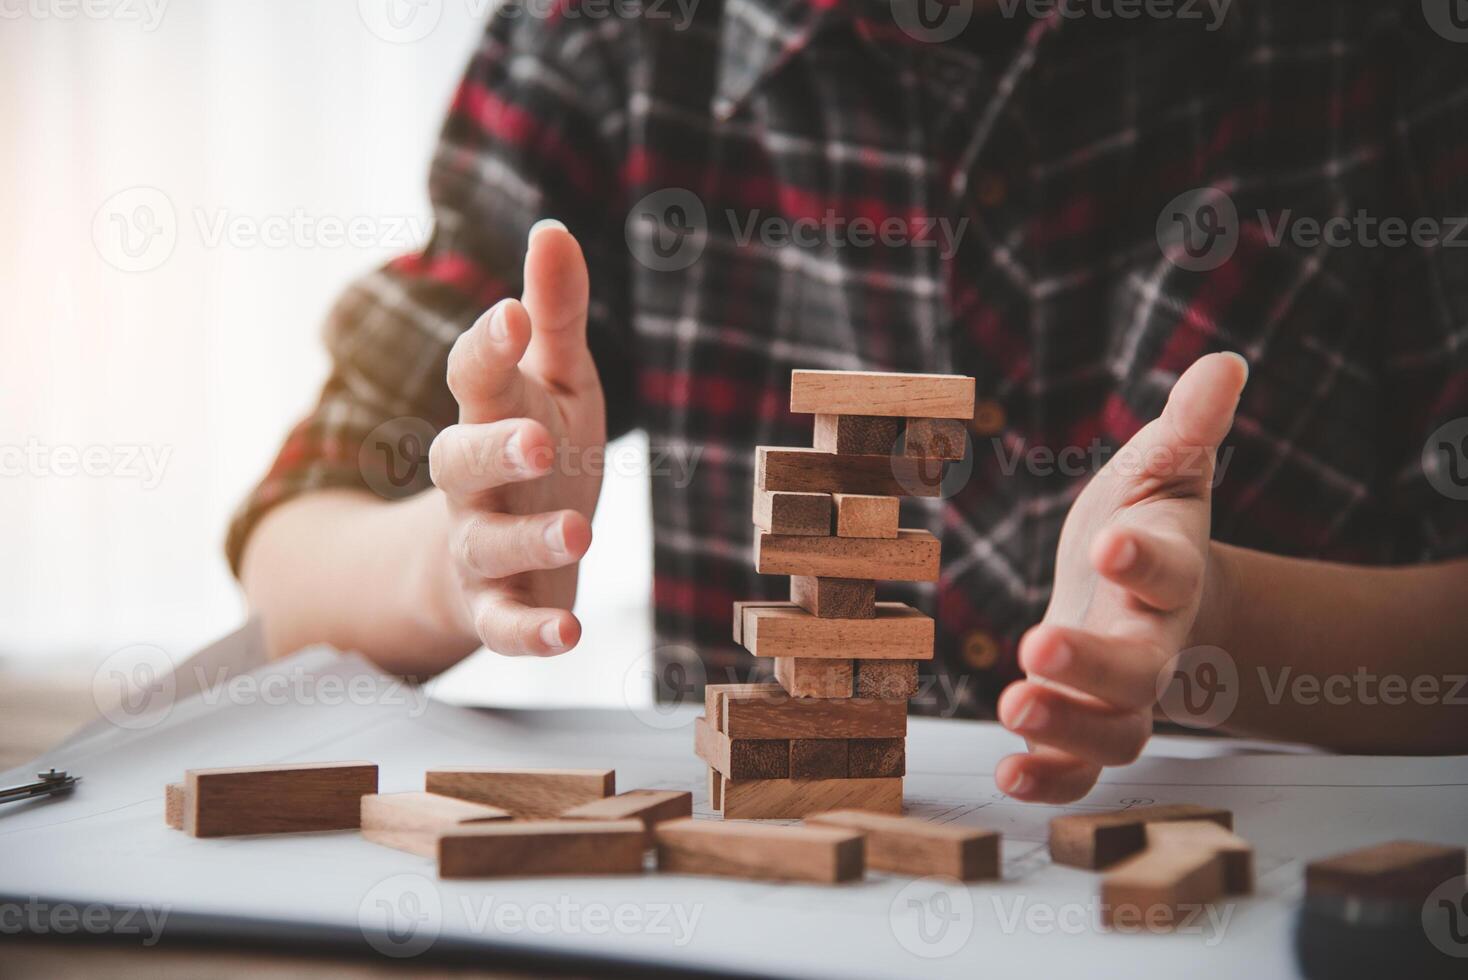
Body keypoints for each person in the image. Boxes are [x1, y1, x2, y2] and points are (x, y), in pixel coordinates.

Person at [229, 0, 1468, 804]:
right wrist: (462, 566)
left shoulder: (1391, 50)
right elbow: (291, 552)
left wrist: (1223, 622)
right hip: (751, 888)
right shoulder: (600, 38)